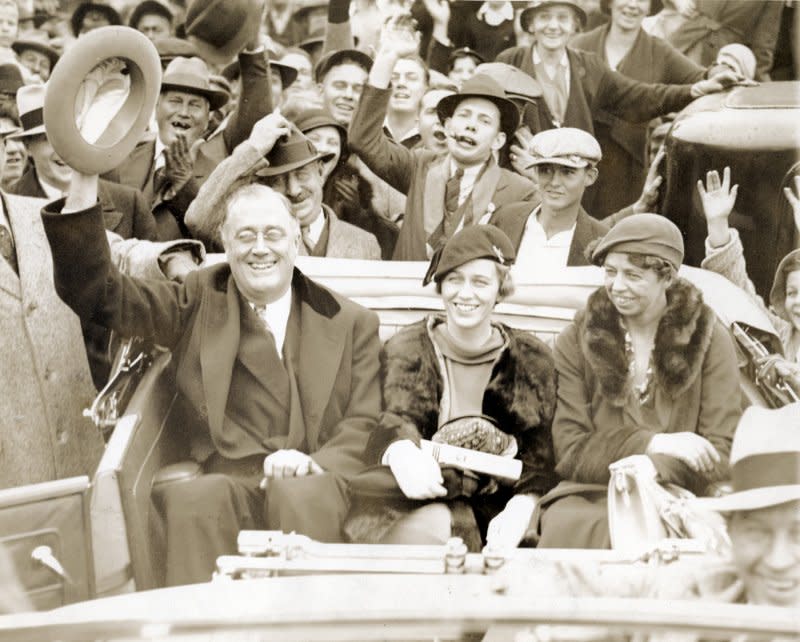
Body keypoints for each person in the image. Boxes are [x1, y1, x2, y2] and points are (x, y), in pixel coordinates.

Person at [42, 164, 382, 586]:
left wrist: (312, 464)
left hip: (315, 480)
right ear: (225, 243)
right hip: (229, 479)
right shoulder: (198, 297)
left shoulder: (352, 322)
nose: (261, 248)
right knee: (193, 499)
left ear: (296, 241)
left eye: (274, 234)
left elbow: (365, 421)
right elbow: (99, 294)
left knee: (301, 495)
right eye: (245, 236)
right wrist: (84, 174)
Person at [345, 225, 558, 551]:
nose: (465, 294)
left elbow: (540, 454)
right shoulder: (407, 349)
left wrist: (525, 502)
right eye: (454, 280)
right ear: (440, 286)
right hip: (419, 497)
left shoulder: (532, 359)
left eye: (480, 282)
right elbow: (390, 421)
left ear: (500, 289)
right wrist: (400, 451)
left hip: (501, 504)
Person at [538, 214, 742, 549]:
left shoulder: (709, 338)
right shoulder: (578, 337)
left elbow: (719, 451)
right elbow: (571, 447)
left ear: (668, 277)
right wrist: (651, 443)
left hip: (675, 496)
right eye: (610, 272)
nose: (617, 286)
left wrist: (652, 465)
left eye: (632, 275)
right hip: (590, 495)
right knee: (571, 526)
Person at [349, 16, 536, 261]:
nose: (471, 125)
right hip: (409, 297)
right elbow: (363, 139)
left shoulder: (521, 191)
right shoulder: (418, 166)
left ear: (499, 140)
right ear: (447, 126)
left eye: (484, 121)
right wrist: (388, 56)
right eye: (464, 115)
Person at [492, 0, 739, 137]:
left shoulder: (588, 65)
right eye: (544, 17)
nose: (553, 26)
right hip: (524, 182)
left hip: (576, 182)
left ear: (575, 25)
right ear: (531, 24)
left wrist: (696, 89)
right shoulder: (509, 61)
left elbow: (640, 96)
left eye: (562, 18)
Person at [102, 49, 269, 240]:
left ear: (208, 119)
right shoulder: (118, 162)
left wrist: (185, 190)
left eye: (194, 105)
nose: (183, 112)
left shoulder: (220, 172)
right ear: (156, 107)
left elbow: (222, 240)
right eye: (175, 101)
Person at [569, 0, 705, 218]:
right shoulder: (580, 45)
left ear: (650, 7)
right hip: (577, 164)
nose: (632, 5)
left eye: (642, 0)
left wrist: (725, 68)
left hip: (626, 173)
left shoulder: (658, 51)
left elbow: (702, 78)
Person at [185, 113, 381, 260]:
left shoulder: (365, 243)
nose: (293, 190)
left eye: (302, 174)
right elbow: (198, 220)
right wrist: (252, 150)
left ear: (321, 172)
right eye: (278, 180)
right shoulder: (252, 237)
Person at [8, 84, 158, 242]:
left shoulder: (129, 203)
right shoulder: (7, 205)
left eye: (72, 133)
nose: (64, 149)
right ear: (27, 146)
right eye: (50, 139)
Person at [699, 168, 800, 367]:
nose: (798, 302)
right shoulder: (780, 334)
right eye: (792, 293)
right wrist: (718, 224)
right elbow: (739, 292)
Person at [490, 127, 608, 276]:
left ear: (590, 176)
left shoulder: (602, 240)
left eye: (567, 172)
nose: (554, 182)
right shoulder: (505, 219)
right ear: (535, 172)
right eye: (545, 170)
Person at [314, 48, 373, 128]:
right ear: (320, 91)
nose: (348, 95)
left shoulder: (377, 139)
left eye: (358, 89)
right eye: (340, 86)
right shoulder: (297, 137)